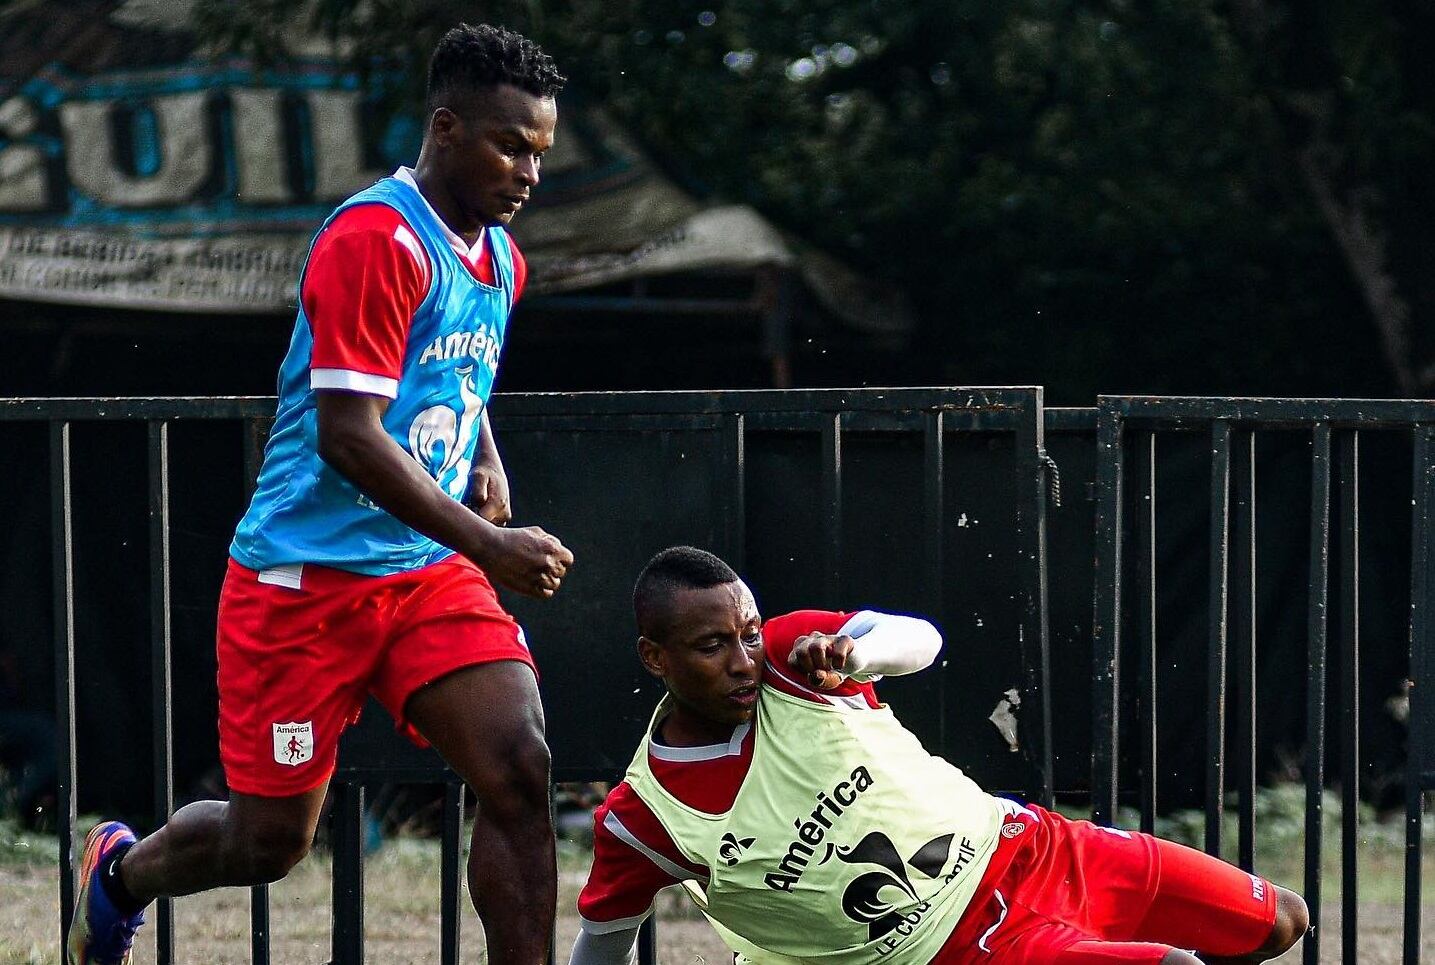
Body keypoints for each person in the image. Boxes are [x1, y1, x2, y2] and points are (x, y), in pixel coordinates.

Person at [68, 24, 572, 965]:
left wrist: (486, 452)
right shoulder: (375, 240)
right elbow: (348, 433)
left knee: (519, 768)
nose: (529, 172)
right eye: (511, 145)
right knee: (269, 843)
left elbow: (450, 373)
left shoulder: (500, 255)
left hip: (424, 571)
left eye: (541, 152)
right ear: (446, 126)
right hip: (306, 580)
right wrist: (491, 543)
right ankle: (118, 872)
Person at [571, 546, 1308, 965]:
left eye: (749, 631)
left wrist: (860, 653)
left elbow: (922, 638)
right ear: (654, 657)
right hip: (958, 947)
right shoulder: (643, 816)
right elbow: (601, 943)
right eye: (712, 646)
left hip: (1035, 845)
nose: (742, 659)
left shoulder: (797, 662)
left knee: (1283, 921)